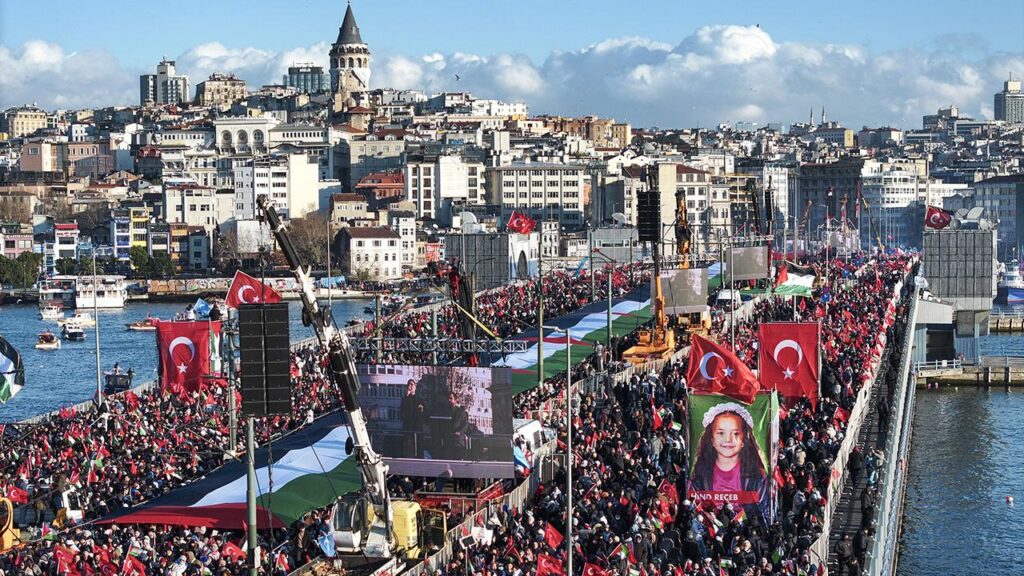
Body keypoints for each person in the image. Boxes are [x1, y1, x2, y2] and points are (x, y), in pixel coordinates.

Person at [688, 402, 769, 519]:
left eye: (735, 433)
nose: (728, 439)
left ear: (743, 439)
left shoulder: (755, 476)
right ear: (711, 439)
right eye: (720, 433)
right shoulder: (700, 475)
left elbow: (763, 511)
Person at [399, 378, 425, 458]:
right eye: (409, 384)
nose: (410, 386)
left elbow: (424, 412)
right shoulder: (405, 398)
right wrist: (407, 396)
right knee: (409, 445)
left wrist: (422, 410)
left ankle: (420, 458)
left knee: (419, 445)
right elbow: (403, 410)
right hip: (409, 426)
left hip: (417, 426)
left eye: (412, 384)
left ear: (415, 387)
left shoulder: (419, 399)